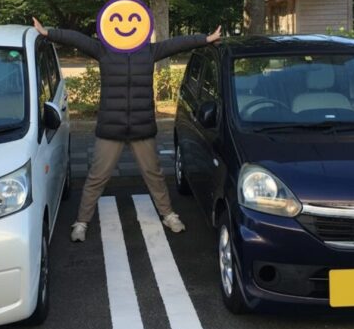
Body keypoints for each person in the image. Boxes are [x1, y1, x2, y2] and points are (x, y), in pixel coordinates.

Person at [32, 14, 221, 242]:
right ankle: (81, 221)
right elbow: (77, 39)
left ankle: (168, 214)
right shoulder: (104, 50)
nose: (126, 26)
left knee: (155, 175)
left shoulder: (149, 52)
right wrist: (49, 33)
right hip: (111, 129)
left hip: (142, 128)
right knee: (96, 177)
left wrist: (206, 38)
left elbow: (177, 43)